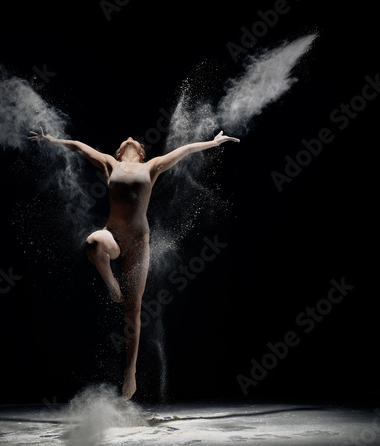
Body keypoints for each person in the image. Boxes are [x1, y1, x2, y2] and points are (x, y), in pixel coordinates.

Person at [28, 128, 239, 399]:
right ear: (119, 152)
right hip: (112, 237)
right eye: (123, 138)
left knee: (134, 308)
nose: (128, 135)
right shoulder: (110, 163)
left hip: (139, 241)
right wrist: (50, 140)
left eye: (134, 140)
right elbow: (79, 146)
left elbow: (185, 150)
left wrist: (213, 142)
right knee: (93, 242)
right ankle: (112, 284)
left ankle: (130, 372)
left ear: (141, 153)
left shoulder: (151, 166)